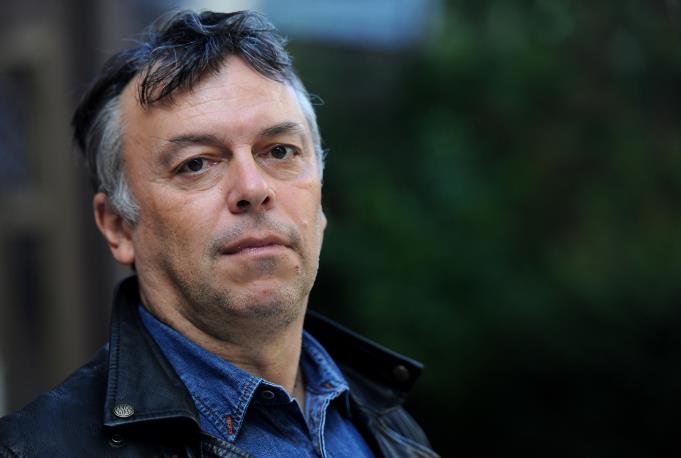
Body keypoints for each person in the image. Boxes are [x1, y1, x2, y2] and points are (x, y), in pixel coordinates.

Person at [0, 10, 438, 457]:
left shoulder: (390, 425)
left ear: (320, 197)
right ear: (118, 226)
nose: (253, 188)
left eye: (280, 151)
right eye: (195, 164)